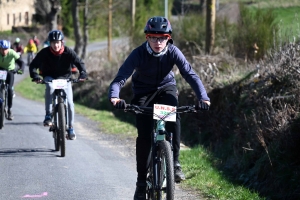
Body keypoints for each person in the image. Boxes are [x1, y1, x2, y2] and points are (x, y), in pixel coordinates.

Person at [108, 16, 210, 200]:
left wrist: (203, 97)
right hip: (143, 93)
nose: (158, 42)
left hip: (166, 89)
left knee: (174, 115)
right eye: (153, 37)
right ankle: (140, 183)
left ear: (168, 38)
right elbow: (121, 77)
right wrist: (115, 96)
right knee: (144, 137)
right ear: (147, 37)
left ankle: (175, 163)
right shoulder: (138, 54)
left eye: (162, 38)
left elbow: (190, 74)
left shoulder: (173, 52)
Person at [29, 30, 88, 140]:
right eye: (53, 42)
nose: (56, 45)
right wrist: (35, 76)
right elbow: (33, 65)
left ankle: (70, 127)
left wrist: (83, 73)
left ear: (62, 42)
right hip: (49, 77)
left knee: (70, 104)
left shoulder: (68, 52)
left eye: (58, 42)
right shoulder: (44, 52)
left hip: (65, 78)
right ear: (50, 43)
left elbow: (79, 62)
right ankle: (48, 115)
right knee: (50, 87)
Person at [0, 40, 25, 120]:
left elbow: (21, 62)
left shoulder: (12, 52)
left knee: (10, 89)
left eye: (6, 49)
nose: (4, 51)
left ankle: (10, 109)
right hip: (0, 70)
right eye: (2, 49)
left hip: (10, 71)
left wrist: (21, 69)